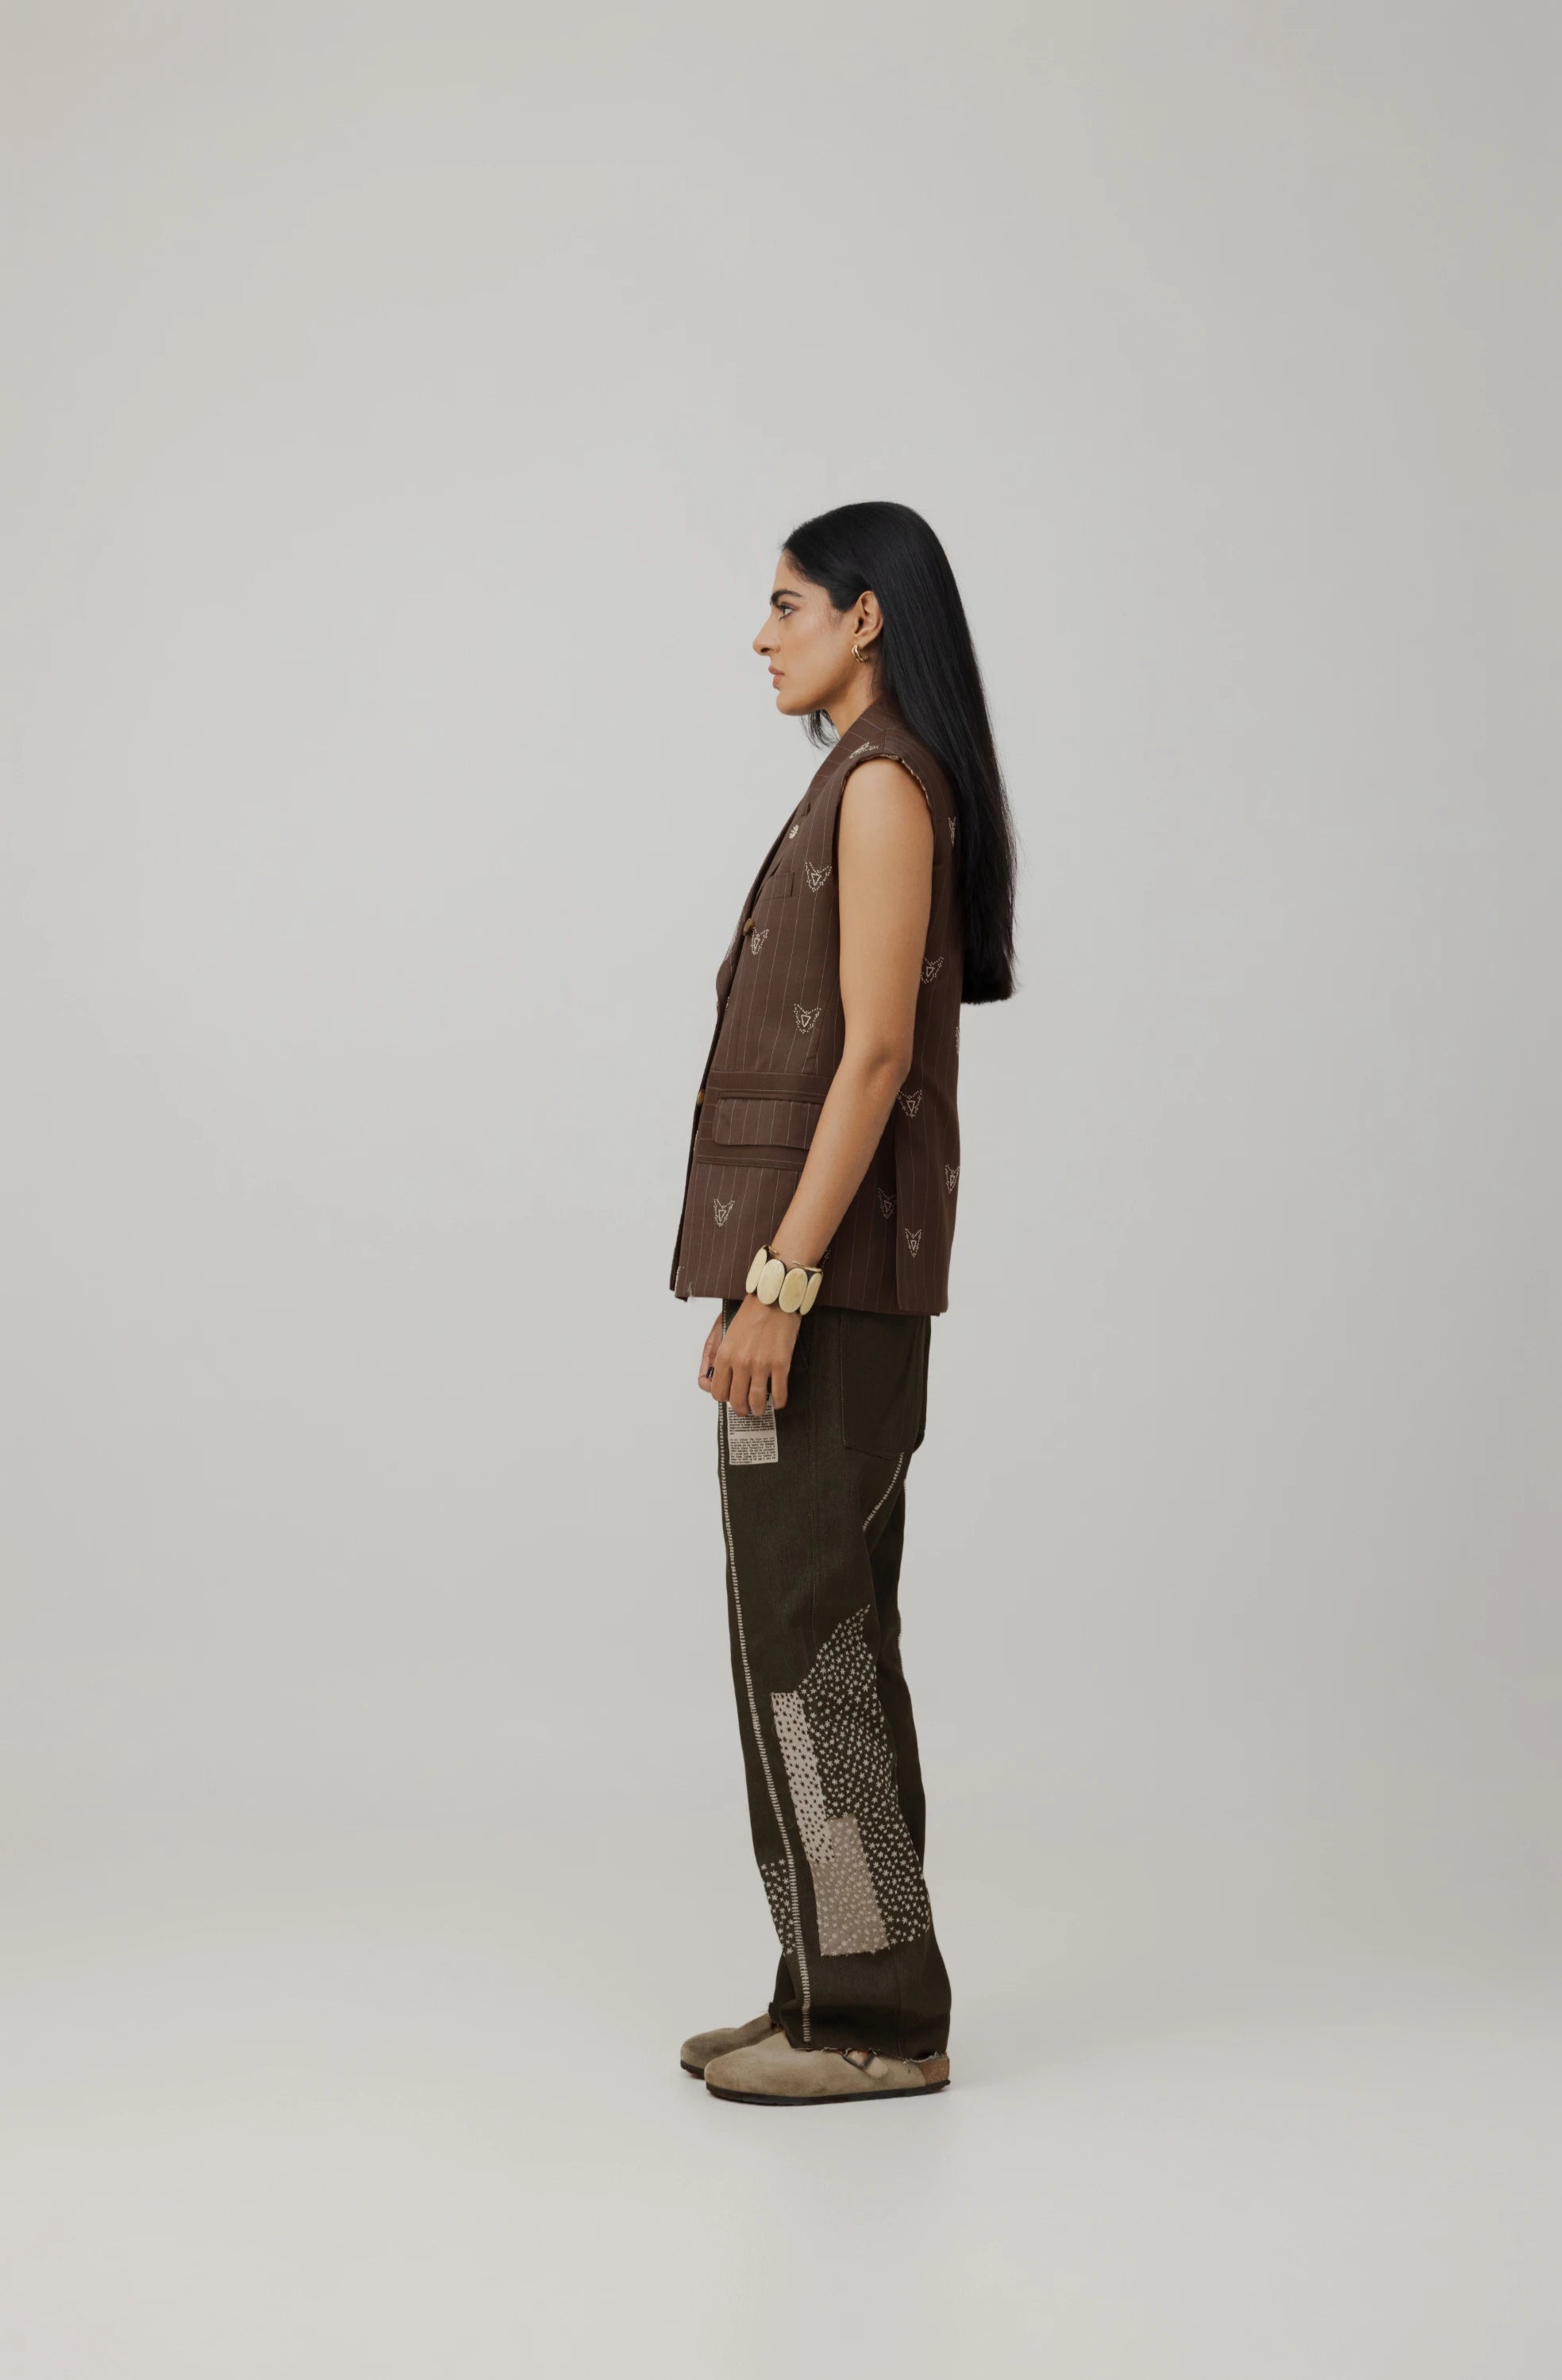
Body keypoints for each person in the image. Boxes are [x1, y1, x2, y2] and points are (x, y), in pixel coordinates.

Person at [668, 501, 1018, 2106]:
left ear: (867, 617)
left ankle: (875, 2016)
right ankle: (823, 1984)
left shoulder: (880, 784)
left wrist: (780, 1286)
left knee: (816, 1650)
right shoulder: (859, 777)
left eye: (788, 602)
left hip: (827, 1295)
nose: (763, 633)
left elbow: (872, 1057)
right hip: (812, 1290)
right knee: (805, 1637)